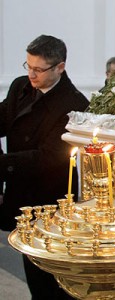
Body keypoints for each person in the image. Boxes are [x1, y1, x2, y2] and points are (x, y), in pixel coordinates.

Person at [0, 35, 89, 299]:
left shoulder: (74, 104)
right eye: (27, 66)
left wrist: (2, 164)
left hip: (51, 201)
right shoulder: (21, 87)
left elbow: (49, 158)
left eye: (38, 69)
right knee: (32, 271)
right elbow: (4, 117)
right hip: (22, 193)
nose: (31, 74)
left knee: (52, 279)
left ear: (60, 67)